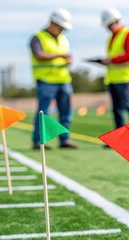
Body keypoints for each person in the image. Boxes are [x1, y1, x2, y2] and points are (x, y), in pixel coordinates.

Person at [29, 8, 78, 150]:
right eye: (60, 27)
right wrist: (59, 56)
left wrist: (68, 61)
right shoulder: (37, 37)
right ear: (52, 22)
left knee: (66, 112)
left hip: (64, 80)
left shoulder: (64, 39)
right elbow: (38, 55)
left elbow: (64, 57)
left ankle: (65, 139)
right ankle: (38, 140)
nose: (62, 30)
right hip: (46, 81)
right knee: (44, 112)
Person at [100, 7, 129, 145]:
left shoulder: (128, 34)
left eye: (110, 25)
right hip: (113, 78)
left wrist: (112, 60)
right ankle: (120, 138)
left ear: (116, 21)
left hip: (126, 78)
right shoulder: (111, 39)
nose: (109, 28)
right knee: (117, 110)